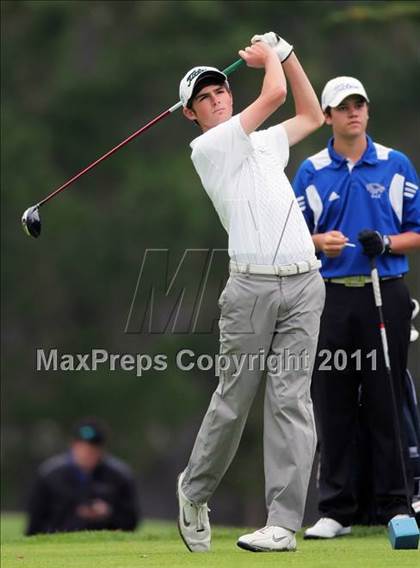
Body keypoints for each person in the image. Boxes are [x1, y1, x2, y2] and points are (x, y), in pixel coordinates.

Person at [176, 32, 325, 553]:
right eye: (204, 97)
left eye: (220, 91)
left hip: (306, 281)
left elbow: (311, 114)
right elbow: (277, 96)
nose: (217, 98)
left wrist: (287, 56)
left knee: (291, 403)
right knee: (234, 401)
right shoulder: (208, 147)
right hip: (250, 288)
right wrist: (269, 62)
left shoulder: (263, 141)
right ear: (191, 114)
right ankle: (194, 491)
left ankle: (282, 523)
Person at [292, 76, 420, 538]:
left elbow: (416, 229)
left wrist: (385, 242)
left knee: (386, 398)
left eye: (359, 105)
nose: (353, 113)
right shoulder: (311, 170)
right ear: (326, 116)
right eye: (342, 107)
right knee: (333, 400)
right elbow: (289, 236)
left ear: (367, 110)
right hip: (328, 296)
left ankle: (396, 504)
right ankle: (336, 510)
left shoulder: (394, 163)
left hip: (385, 289)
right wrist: (317, 242)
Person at [26, 419, 140, 535]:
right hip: (56, 543)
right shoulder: (50, 475)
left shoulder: (119, 476)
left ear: (102, 449)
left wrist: (108, 514)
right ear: (72, 445)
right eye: (82, 447)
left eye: (92, 450)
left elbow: (131, 523)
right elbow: (35, 523)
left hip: (105, 544)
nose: (86, 453)